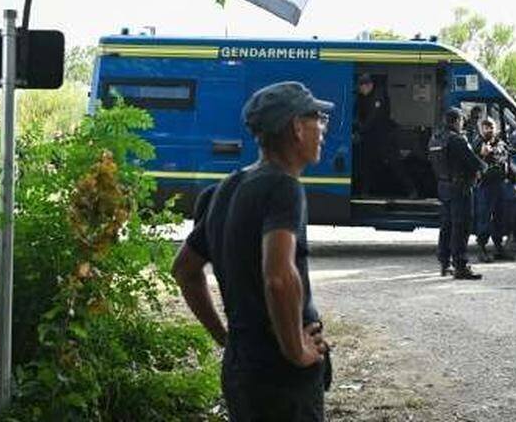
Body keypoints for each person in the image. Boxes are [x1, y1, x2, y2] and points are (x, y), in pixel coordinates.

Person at [172, 81, 333, 421]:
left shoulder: (223, 190)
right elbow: (278, 277)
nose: (323, 129)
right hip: (280, 376)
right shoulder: (284, 187)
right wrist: (296, 351)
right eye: (318, 119)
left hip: (242, 366)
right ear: (296, 127)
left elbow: (185, 269)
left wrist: (225, 338)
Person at [429, 107, 485, 280]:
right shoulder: (457, 140)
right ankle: (461, 266)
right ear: (456, 121)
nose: (463, 124)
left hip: (444, 186)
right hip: (460, 188)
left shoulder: (435, 139)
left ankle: (444, 263)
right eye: (461, 121)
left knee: (446, 225)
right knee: (461, 226)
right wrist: (482, 161)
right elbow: (474, 162)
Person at [354, 74, 416, 197]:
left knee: (394, 164)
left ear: (369, 85)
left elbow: (374, 117)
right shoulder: (365, 97)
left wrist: (361, 129)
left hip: (384, 137)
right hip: (372, 137)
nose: (361, 91)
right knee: (368, 164)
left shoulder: (379, 97)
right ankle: (365, 191)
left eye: (362, 88)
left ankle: (411, 190)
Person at [472, 117, 516, 262]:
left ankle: (499, 247)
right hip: (485, 186)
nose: (488, 130)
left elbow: (508, 163)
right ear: (481, 130)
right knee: (484, 218)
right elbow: (472, 160)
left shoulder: (501, 144)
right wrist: (482, 153)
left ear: (496, 128)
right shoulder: (478, 143)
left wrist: (513, 182)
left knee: (500, 217)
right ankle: (482, 248)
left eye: (491, 127)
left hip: (501, 185)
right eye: (485, 128)